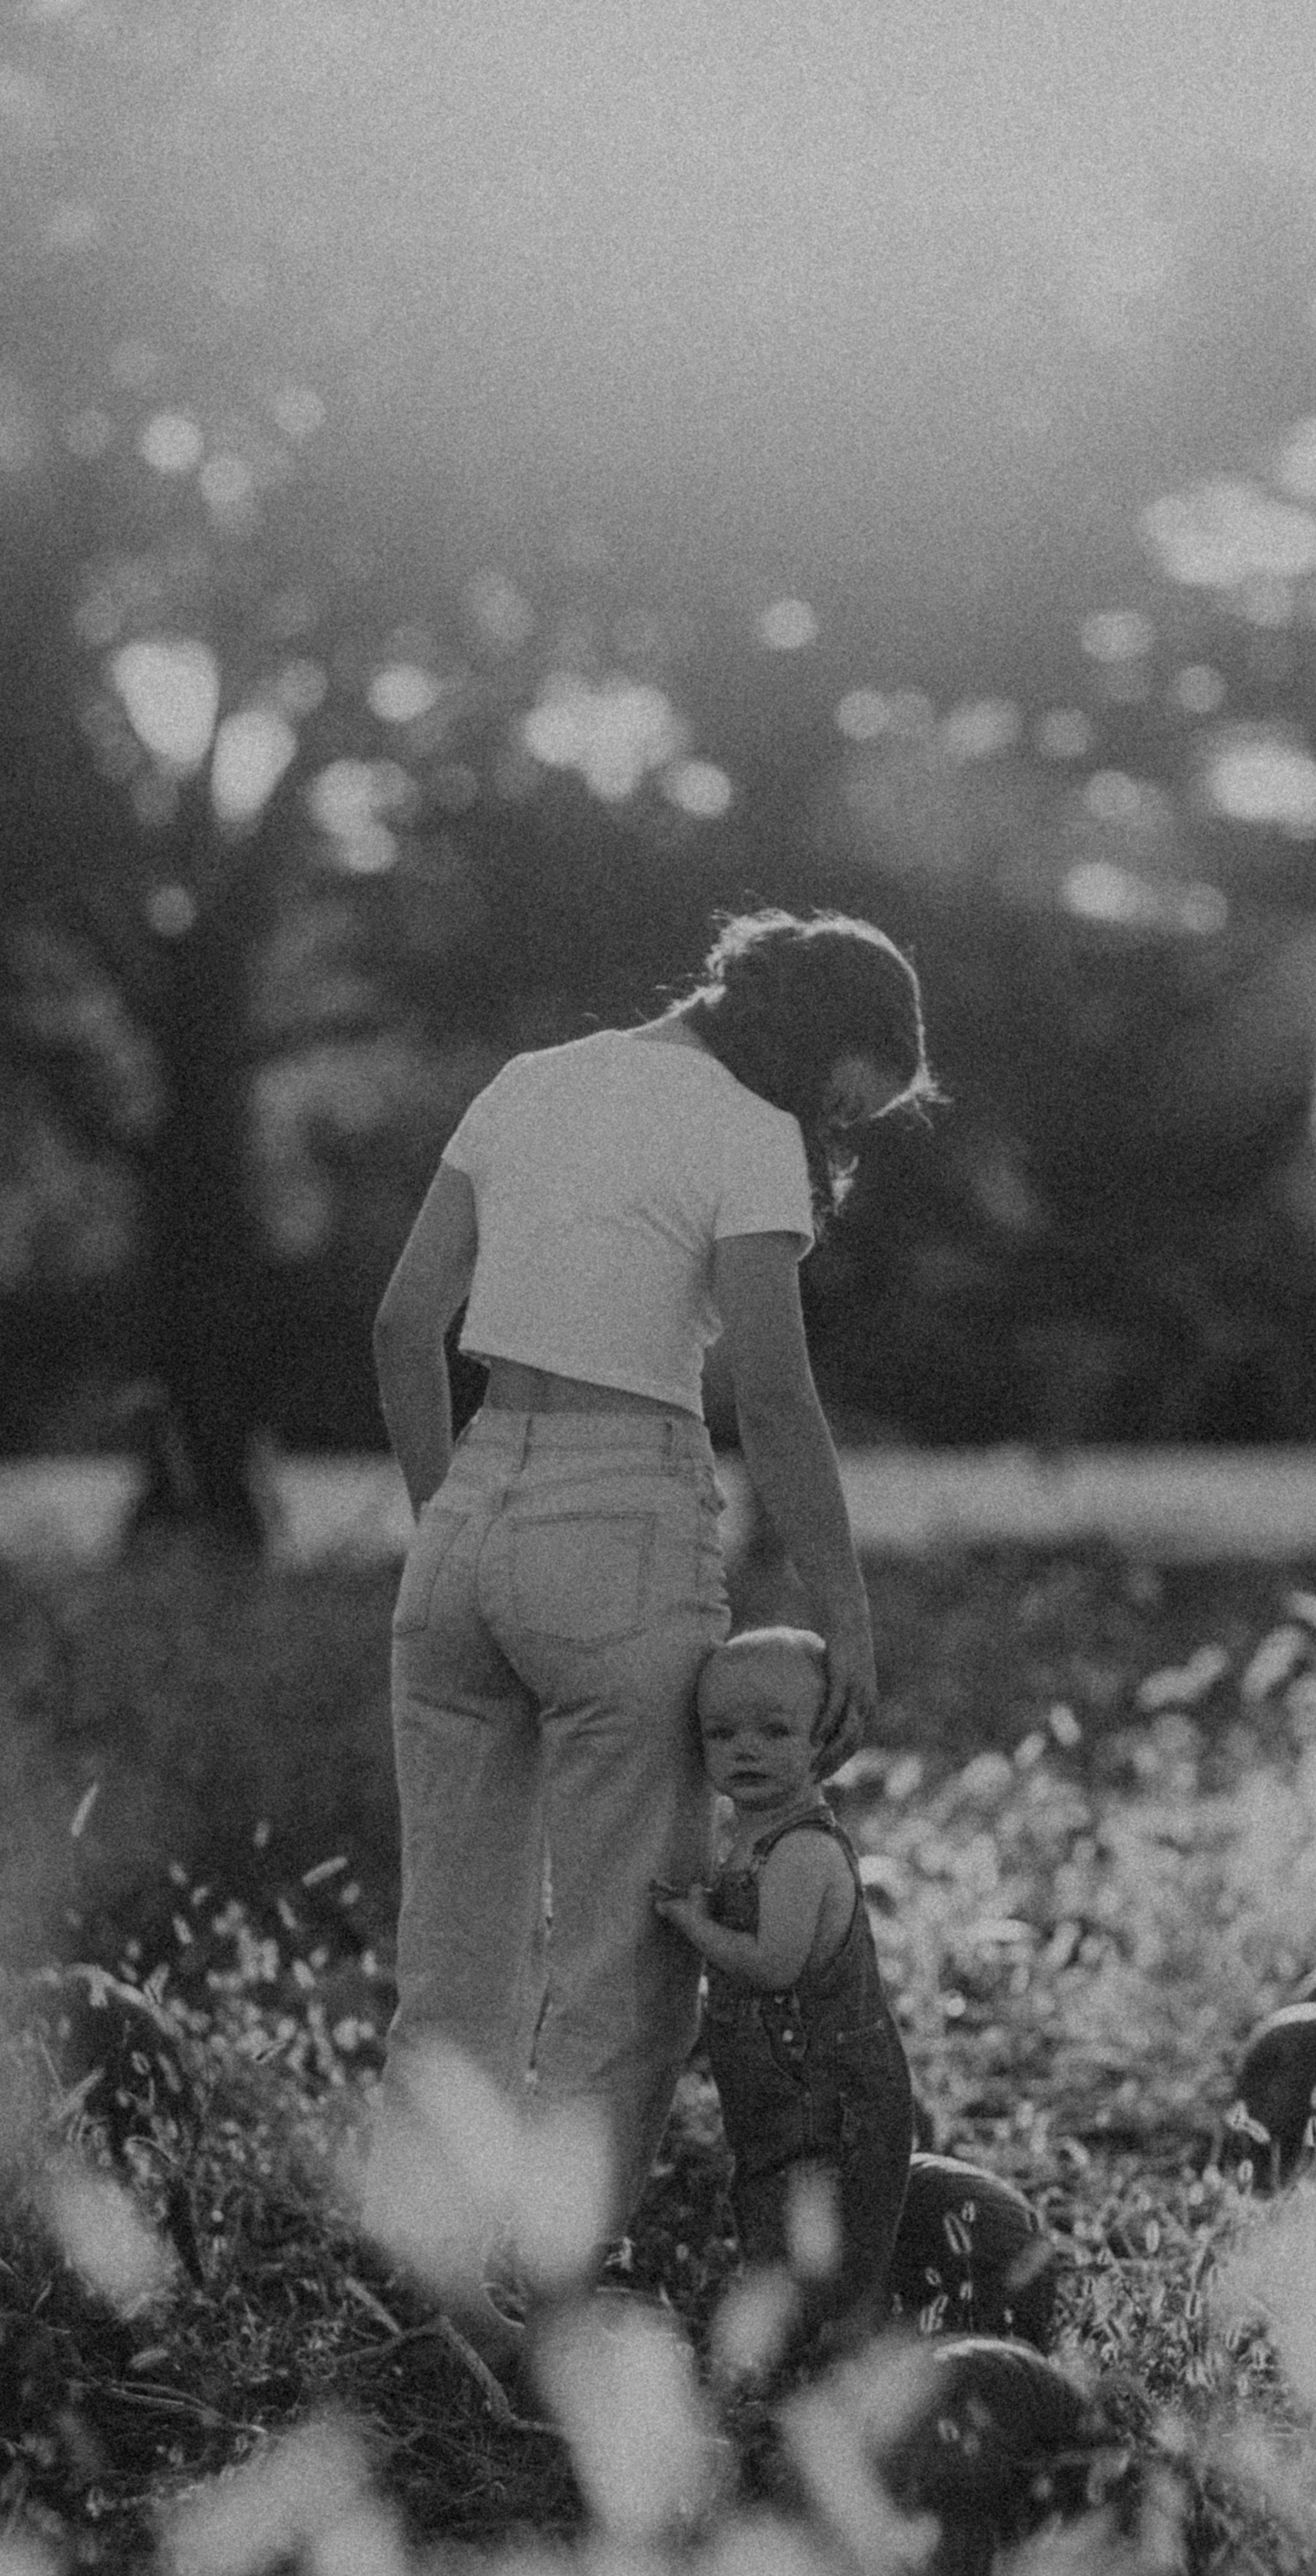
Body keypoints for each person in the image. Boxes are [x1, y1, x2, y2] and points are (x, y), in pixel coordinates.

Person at [371, 907, 935, 2371]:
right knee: (630, 1956)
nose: (833, 1131)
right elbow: (779, 1397)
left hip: (467, 1515)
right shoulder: (743, 1129)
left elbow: (401, 1322)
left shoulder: (528, 1081)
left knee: (456, 1947)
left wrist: (461, 1519)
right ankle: (552, 2303)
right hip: (622, 1526)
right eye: (845, 1102)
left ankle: (433, 2291)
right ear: (816, 1052)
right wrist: (846, 1613)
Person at [651, 1627, 915, 2365]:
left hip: (837, 2106)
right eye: (722, 1733)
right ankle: (785, 2370)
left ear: (823, 1742)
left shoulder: (799, 1852)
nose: (746, 1750)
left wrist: (692, 1923)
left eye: (776, 1731)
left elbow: (773, 1967)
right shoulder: (749, 1840)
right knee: (772, 2231)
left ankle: (836, 2383)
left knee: (834, 2257)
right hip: (779, 2103)